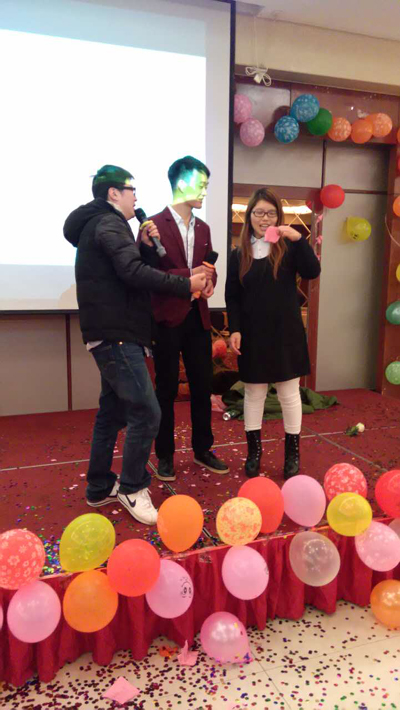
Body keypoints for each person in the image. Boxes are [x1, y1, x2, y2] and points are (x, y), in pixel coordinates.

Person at [63, 165, 206, 525]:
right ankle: (132, 487)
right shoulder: (108, 224)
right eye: (132, 190)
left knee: (111, 413)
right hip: (117, 334)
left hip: (112, 331)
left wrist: (144, 247)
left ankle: (99, 485)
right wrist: (185, 283)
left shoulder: (103, 225)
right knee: (147, 411)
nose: (136, 198)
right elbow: (133, 274)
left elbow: (126, 272)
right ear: (114, 193)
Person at [225, 187, 321, 479]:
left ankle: (292, 453)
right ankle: (254, 452)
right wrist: (235, 329)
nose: (264, 218)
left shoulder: (289, 248)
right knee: (254, 394)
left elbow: (312, 271)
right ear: (249, 216)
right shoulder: (238, 253)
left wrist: (299, 239)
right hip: (253, 333)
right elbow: (233, 296)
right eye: (259, 213)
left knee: (289, 394)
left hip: (285, 332)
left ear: (278, 216)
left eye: (270, 213)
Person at [147, 156, 229, 481]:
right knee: (165, 389)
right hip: (166, 318)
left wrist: (209, 283)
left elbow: (208, 269)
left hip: (198, 318)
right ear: (181, 184)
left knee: (202, 386)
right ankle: (165, 454)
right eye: (201, 185)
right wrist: (189, 277)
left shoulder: (204, 228)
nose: (205, 192)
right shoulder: (153, 225)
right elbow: (148, 275)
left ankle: (202, 449)